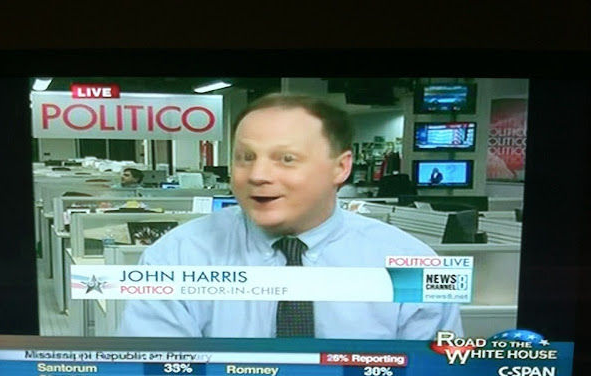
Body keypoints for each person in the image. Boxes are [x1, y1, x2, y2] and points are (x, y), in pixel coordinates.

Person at [117, 93, 462, 339]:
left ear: (341, 167)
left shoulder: (408, 262)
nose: (258, 175)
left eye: (286, 159)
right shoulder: (177, 256)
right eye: (245, 157)